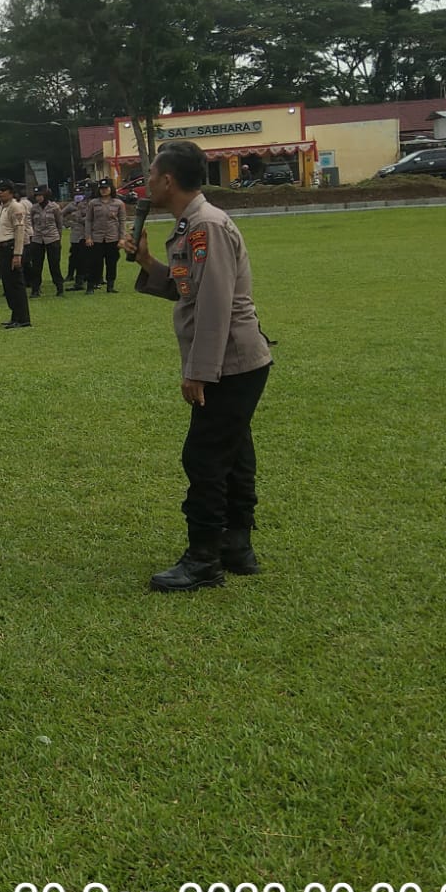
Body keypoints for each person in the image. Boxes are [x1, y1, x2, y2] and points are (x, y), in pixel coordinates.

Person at [122, 140, 274, 593]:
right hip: (234, 361)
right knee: (233, 451)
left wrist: (198, 371)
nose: (147, 183)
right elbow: (188, 287)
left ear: (168, 180)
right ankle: (236, 546)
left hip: (230, 362)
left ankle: (203, 560)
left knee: (204, 456)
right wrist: (147, 261)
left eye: (151, 175)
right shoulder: (192, 224)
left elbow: (214, 306)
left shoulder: (206, 225)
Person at [0, 180, 32, 329]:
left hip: (11, 248)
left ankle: (23, 318)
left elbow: (19, 231)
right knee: (8, 285)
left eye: (3, 190)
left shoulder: (15, 207)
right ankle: (15, 315)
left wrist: (17, 254)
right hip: (3, 248)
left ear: (11, 192)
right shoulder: (3, 207)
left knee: (16, 284)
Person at [83, 179, 127, 294]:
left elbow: (122, 221)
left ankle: (110, 285)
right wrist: (88, 237)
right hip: (97, 237)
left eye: (106, 188)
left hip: (112, 237)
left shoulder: (118, 203)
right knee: (94, 263)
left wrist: (122, 238)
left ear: (111, 189)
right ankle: (91, 286)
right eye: (101, 189)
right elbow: (88, 220)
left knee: (111, 262)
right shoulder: (93, 203)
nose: (103, 190)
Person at [26, 186, 65, 298]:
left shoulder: (54, 207)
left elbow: (59, 224)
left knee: (54, 265)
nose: (38, 198)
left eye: (40, 195)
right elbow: (32, 223)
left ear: (46, 195)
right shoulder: (34, 208)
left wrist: (58, 238)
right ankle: (35, 289)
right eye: (36, 196)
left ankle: (59, 287)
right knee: (36, 266)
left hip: (52, 238)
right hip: (37, 239)